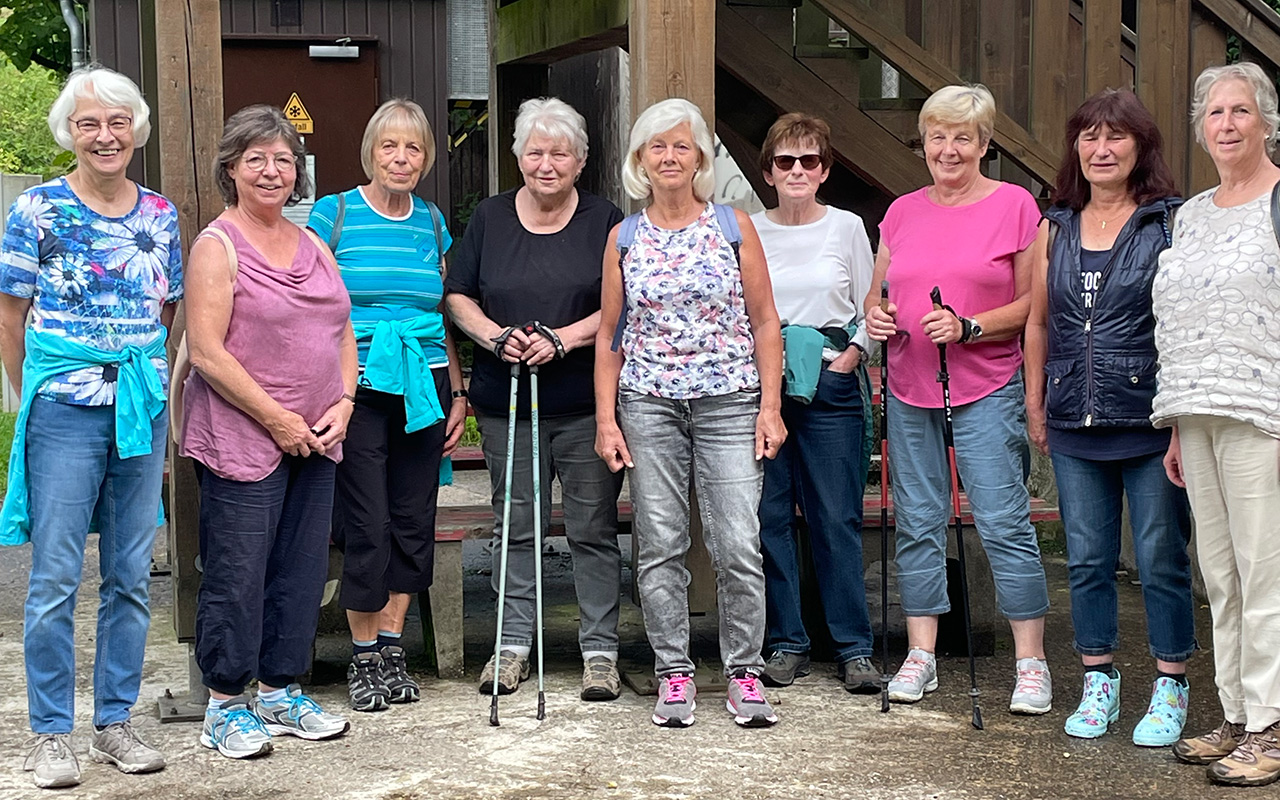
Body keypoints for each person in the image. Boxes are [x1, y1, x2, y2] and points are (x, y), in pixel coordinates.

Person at [0, 66, 177, 789]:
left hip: (139, 408)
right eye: (88, 124)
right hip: (64, 414)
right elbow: (9, 317)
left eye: (116, 122)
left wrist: (148, 379)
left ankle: (113, 724)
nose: (104, 136)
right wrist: (32, 398)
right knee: (54, 579)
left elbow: (164, 313)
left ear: (135, 129)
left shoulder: (161, 214)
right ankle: (49, 734)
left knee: (131, 576)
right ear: (69, 133)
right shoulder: (35, 210)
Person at [595, 97, 787, 728]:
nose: (670, 156)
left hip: (730, 402)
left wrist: (771, 408)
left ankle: (744, 674)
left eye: (682, 146)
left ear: (700, 157)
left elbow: (765, 322)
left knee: (737, 541)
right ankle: (674, 673)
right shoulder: (624, 237)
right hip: (648, 404)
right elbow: (610, 335)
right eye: (658, 146)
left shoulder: (733, 226)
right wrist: (606, 418)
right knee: (660, 543)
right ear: (640, 161)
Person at [864, 84, 1052, 715]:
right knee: (917, 520)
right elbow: (877, 296)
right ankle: (921, 654)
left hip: (985, 383)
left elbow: (1033, 306)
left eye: (962, 137)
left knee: (1002, 520)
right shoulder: (900, 212)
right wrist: (880, 317)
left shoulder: (1016, 207)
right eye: (937, 137)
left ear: (984, 144)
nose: (948, 149)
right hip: (910, 383)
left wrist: (971, 325)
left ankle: (1032, 663)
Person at [180, 105, 355, 759]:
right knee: (238, 573)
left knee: (301, 572)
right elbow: (207, 352)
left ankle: (280, 692)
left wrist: (344, 399)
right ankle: (226, 704)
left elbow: (341, 328)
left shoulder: (313, 242)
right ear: (231, 168)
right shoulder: (217, 246)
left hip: (317, 434)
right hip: (243, 435)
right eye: (256, 159)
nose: (272, 170)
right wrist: (276, 418)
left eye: (284, 159)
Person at [1025, 89, 1195, 746]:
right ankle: (1099, 679)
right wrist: (1037, 403)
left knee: (1159, 556)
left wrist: (1180, 415)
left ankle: (1171, 683)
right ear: (1076, 147)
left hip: (1148, 418)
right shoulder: (1056, 226)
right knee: (1088, 560)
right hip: (1072, 418)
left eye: (1116, 137)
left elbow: (1183, 326)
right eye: (1090, 136)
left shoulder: (1167, 223)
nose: (1101, 149)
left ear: (1140, 147)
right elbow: (1038, 322)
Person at [445, 97, 626, 701]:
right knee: (516, 525)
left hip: (583, 402)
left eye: (560, 153)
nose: (546, 163)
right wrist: (497, 338)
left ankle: (600, 650)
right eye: (534, 151)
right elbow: (458, 295)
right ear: (519, 156)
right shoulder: (491, 218)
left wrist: (563, 339)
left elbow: (621, 302)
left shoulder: (606, 220)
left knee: (592, 529)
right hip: (508, 401)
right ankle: (512, 645)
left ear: (580, 161)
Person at [308, 99, 465, 713]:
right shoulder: (335, 214)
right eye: (389, 147)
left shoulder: (431, 221)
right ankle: (364, 654)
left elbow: (441, 312)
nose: (402, 158)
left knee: (411, 520)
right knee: (366, 523)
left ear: (426, 159)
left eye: (414, 149)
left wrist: (458, 390)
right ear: (371, 151)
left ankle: (394, 646)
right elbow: (315, 306)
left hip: (424, 385)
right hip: (360, 386)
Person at [1154, 62, 1280, 787]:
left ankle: (1270, 722)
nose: (1226, 124)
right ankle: (1236, 713)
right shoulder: (1192, 212)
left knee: (1266, 574)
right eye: (1214, 113)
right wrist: (1173, 426)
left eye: (1240, 111)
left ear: (1265, 119)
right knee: (1222, 576)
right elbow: (1176, 320)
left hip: (1262, 412)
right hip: (1195, 411)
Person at [749, 113, 879, 692]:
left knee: (836, 517)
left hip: (830, 380)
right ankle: (785, 642)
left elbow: (875, 305)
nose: (797, 171)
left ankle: (853, 647)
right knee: (769, 517)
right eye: (785, 161)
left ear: (825, 170)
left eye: (809, 161)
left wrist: (854, 353)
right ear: (769, 171)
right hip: (763, 385)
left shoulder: (848, 226)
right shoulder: (749, 230)